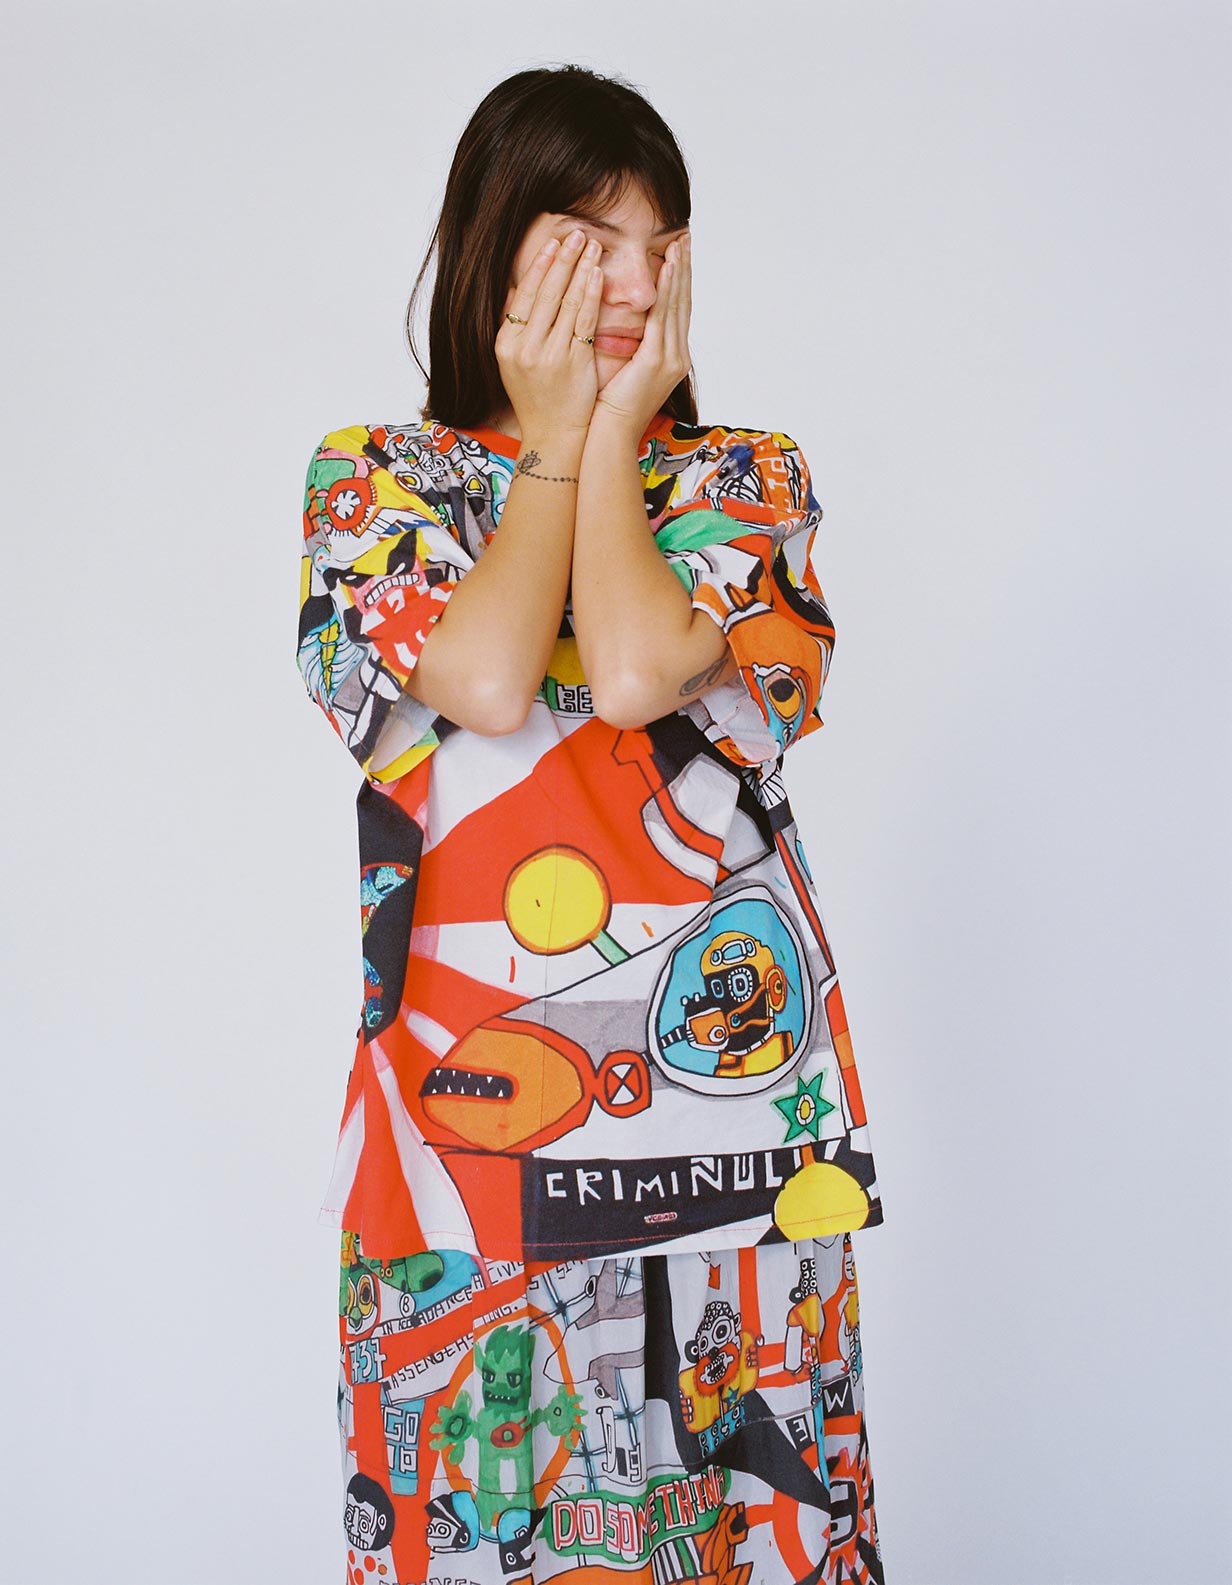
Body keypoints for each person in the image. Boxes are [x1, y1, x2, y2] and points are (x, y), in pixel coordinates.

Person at [297, 63, 887, 1585]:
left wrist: (612, 430)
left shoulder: (742, 481)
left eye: (657, 244)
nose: (631, 282)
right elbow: (488, 679)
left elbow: (630, 671)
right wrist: (556, 438)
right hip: (459, 1140)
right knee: (478, 1528)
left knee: (738, 1545)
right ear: (494, 246)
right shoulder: (379, 483)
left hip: (726, 1129)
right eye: (584, 239)